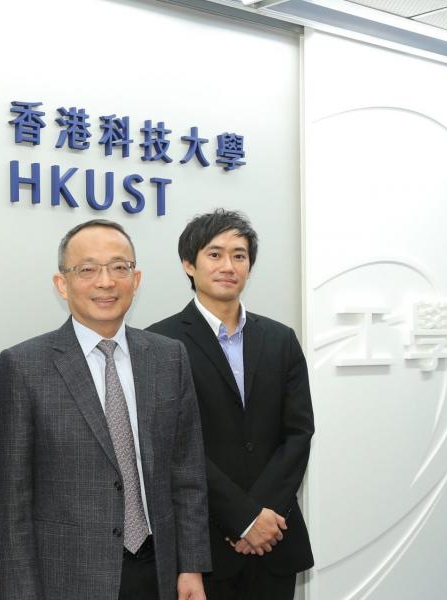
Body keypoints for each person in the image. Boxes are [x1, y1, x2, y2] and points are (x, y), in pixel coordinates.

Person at [0, 219, 210, 600]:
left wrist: (190, 567)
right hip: (68, 578)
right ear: (62, 284)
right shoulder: (24, 366)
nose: (106, 282)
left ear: (136, 279)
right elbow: (12, 505)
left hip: (156, 569)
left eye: (119, 267)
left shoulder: (168, 356)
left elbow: (186, 471)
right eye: (88, 269)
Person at [147, 209, 314, 600]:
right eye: (215, 254)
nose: (228, 265)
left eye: (239, 255)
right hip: (203, 545)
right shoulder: (160, 343)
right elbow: (173, 446)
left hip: (275, 536)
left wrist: (263, 518)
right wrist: (241, 519)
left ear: (250, 267)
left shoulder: (280, 338)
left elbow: (298, 434)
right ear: (189, 264)